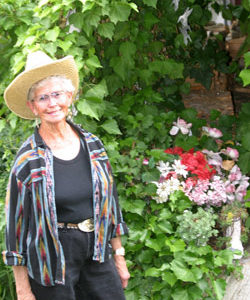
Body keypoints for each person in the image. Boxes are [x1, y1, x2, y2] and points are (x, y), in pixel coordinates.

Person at [2, 51, 130, 300]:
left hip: (97, 250)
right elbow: (15, 230)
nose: (52, 103)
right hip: (51, 259)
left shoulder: (94, 146)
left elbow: (111, 205)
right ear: (33, 107)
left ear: (69, 97)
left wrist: (119, 255)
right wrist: (22, 289)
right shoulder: (27, 160)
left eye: (57, 94)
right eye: (43, 97)